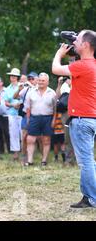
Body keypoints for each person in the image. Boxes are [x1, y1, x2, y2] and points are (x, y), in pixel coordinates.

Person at [52, 29, 96, 208]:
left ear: (86, 45)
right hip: (90, 117)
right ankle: (88, 196)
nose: (74, 42)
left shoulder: (82, 66)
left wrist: (59, 53)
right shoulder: (93, 64)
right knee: (88, 160)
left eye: (77, 40)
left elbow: (55, 69)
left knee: (86, 161)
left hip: (81, 118)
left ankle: (92, 198)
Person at [24, 73, 56, 166]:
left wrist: (54, 119)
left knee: (46, 140)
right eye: (39, 80)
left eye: (43, 81)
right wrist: (28, 119)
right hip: (34, 117)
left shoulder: (52, 93)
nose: (41, 82)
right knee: (30, 139)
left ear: (47, 82)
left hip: (47, 117)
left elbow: (55, 108)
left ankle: (44, 160)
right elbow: (28, 107)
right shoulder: (31, 92)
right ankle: (30, 161)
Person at [14, 71, 38, 164]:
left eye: (33, 79)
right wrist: (19, 88)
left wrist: (31, 86)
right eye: (29, 79)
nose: (31, 80)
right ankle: (24, 156)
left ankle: (35, 156)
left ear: (37, 79)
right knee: (24, 136)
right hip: (25, 115)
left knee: (37, 138)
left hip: (36, 115)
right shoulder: (26, 89)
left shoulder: (38, 88)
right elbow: (15, 96)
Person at [3, 68, 23, 160]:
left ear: (17, 77)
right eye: (11, 76)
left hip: (22, 112)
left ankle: (24, 151)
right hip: (12, 112)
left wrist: (19, 104)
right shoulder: (7, 89)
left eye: (14, 76)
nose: (13, 77)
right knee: (13, 133)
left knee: (23, 133)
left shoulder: (22, 86)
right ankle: (16, 153)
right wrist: (13, 105)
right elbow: (6, 102)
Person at [55, 76, 75, 164]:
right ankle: (69, 160)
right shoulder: (63, 85)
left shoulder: (79, 80)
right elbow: (57, 97)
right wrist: (59, 84)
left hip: (77, 111)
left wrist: (72, 85)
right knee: (67, 137)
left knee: (79, 136)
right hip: (66, 113)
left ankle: (80, 160)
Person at [0, 76, 10, 154]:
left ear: (2, 83)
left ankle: (10, 150)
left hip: (6, 114)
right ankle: (1, 150)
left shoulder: (6, 90)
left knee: (7, 132)